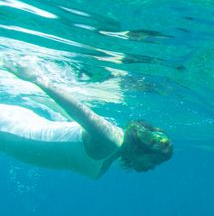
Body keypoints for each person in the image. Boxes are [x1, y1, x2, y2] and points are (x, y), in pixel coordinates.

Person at [1, 59, 173, 178]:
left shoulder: (114, 150)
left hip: (14, 130)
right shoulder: (111, 140)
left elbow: (70, 123)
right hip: (8, 127)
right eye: (154, 160)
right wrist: (36, 78)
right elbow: (77, 110)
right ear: (141, 148)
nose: (151, 168)